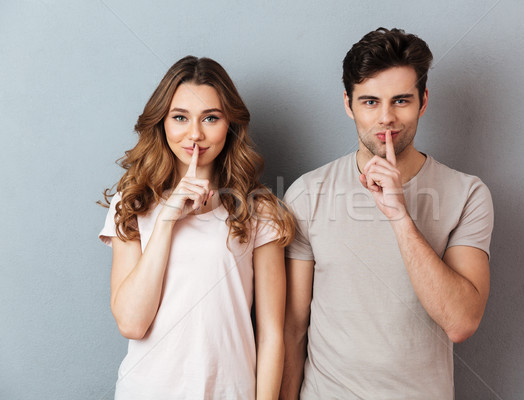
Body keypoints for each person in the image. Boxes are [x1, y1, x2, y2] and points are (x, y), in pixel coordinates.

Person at [280, 28, 494, 399]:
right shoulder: (307, 193)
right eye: (369, 102)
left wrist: (400, 216)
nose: (386, 118)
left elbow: (461, 322)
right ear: (348, 104)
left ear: (423, 101)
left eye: (400, 101)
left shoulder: (467, 194)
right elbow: (292, 328)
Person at [99, 56, 294, 399]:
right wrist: (166, 221)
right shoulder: (131, 202)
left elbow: (272, 335)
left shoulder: (259, 210)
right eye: (180, 118)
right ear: (162, 123)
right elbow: (131, 323)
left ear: (229, 124)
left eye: (211, 118)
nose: (195, 134)